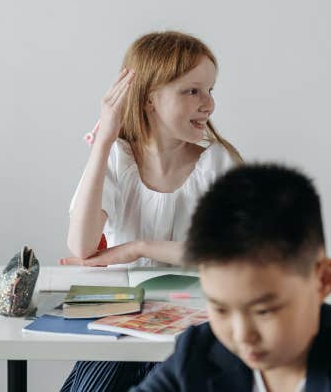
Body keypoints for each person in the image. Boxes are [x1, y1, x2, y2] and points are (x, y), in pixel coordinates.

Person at [59, 31, 241, 392]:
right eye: (192, 91)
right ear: (149, 99)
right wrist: (105, 141)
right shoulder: (118, 158)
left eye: (210, 91)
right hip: (122, 326)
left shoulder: (217, 164)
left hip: (196, 333)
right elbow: (80, 247)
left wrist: (138, 248)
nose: (208, 104)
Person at [134, 164, 331, 392]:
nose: (243, 334)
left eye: (263, 310)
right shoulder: (198, 352)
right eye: (220, 309)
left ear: (322, 280)